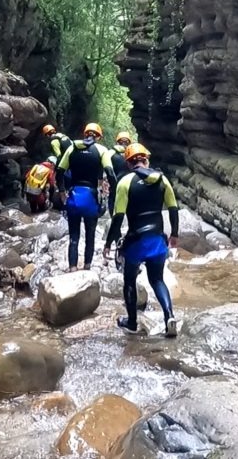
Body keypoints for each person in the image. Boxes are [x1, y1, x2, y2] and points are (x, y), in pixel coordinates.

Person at [104, 143, 179, 337]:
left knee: (129, 280)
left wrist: (108, 243)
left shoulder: (125, 182)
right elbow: (173, 209)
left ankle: (131, 322)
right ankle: (169, 316)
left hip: (136, 241)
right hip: (157, 241)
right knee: (157, 280)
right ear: (146, 160)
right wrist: (175, 234)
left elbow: (118, 217)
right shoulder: (162, 180)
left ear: (129, 163)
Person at [57, 123, 116, 272]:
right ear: (98, 137)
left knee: (74, 237)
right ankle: (87, 267)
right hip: (91, 197)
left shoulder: (72, 148)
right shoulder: (102, 150)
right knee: (90, 237)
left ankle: (72, 268)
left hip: (74, 196)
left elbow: (59, 171)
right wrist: (113, 193)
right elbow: (110, 173)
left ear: (85, 134)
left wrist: (62, 191)